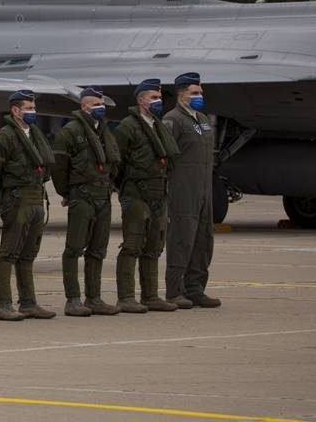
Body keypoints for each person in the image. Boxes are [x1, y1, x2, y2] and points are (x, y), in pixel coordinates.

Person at [0, 89, 57, 321]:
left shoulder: (36, 136)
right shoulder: (4, 138)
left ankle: (28, 303)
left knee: (28, 254)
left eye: (34, 108)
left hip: (36, 199)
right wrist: (5, 198)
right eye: (29, 108)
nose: (33, 112)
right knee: (7, 253)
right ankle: (4, 304)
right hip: (17, 201)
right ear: (16, 111)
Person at [52, 87, 121, 317]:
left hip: (103, 196)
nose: (100, 108)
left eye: (102, 104)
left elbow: (113, 162)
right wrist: (68, 193)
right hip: (82, 196)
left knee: (98, 249)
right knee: (74, 248)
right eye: (95, 104)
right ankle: (73, 299)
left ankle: (94, 298)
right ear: (84, 106)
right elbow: (59, 167)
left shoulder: (104, 131)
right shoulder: (70, 132)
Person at [112, 79, 180, 314]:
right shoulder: (127, 127)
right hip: (136, 194)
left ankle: (150, 296)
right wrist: (126, 189)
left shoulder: (158, 126)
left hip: (158, 193)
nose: (158, 101)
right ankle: (126, 297)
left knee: (154, 246)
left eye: (159, 97)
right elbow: (117, 163)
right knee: (132, 245)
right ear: (141, 100)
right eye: (153, 97)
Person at [162, 72, 221, 309]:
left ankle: (195, 289)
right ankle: (175, 291)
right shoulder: (173, 119)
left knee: (203, 240)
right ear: (181, 94)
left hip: (203, 189)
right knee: (181, 240)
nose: (199, 96)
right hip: (183, 190)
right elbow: (165, 156)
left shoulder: (203, 119)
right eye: (194, 93)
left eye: (201, 92)